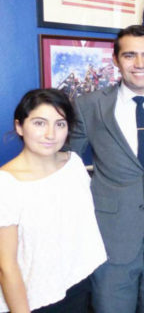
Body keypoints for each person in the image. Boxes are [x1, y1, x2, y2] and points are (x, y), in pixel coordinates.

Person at [69, 25, 144, 313]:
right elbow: (66, 163)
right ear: (116, 59)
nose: (140, 64)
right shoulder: (89, 106)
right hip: (110, 239)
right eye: (130, 55)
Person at [0, 89, 106, 313]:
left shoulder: (74, 164)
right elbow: (6, 266)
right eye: (39, 123)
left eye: (60, 124)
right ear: (19, 126)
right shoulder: (6, 184)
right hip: (33, 299)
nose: (51, 134)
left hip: (78, 284)